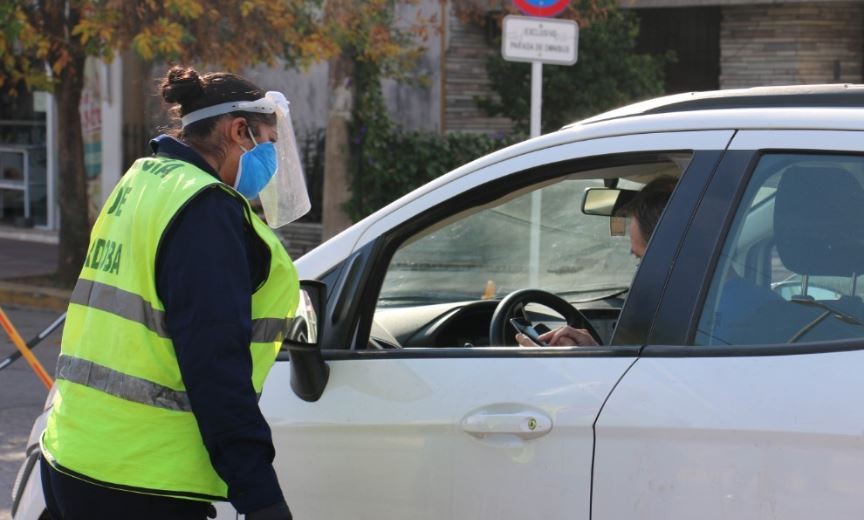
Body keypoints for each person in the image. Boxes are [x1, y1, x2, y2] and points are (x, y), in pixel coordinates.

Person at [39, 66, 309, 519]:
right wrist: (260, 496)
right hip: (141, 480)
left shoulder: (141, 181)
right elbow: (215, 365)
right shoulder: (205, 209)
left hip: (72, 456)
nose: (271, 160)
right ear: (238, 131)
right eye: (267, 141)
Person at [516, 175, 677, 347]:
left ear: (672, 255)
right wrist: (592, 349)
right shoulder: (690, 323)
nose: (637, 275)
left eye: (641, 259)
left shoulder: (674, 322)